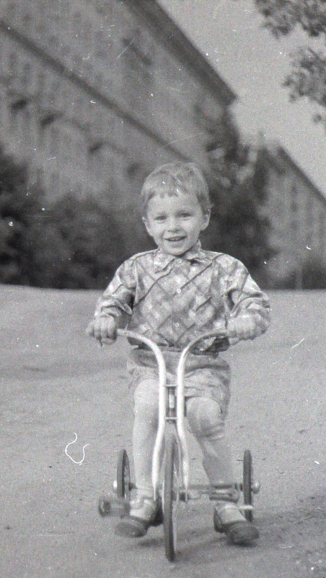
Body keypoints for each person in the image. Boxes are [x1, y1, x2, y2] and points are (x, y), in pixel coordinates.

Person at [86, 161, 270, 545]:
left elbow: (254, 303)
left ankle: (225, 503)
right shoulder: (136, 268)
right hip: (150, 363)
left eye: (185, 215)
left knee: (205, 418)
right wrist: (106, 318)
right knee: (149, 409)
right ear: (147, 224)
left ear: (204, 218)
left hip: (201, 364)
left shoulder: (224, 268)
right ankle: (145, 496)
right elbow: (114, 302)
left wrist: (246, 320)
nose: (173, 227)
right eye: (162, 218)